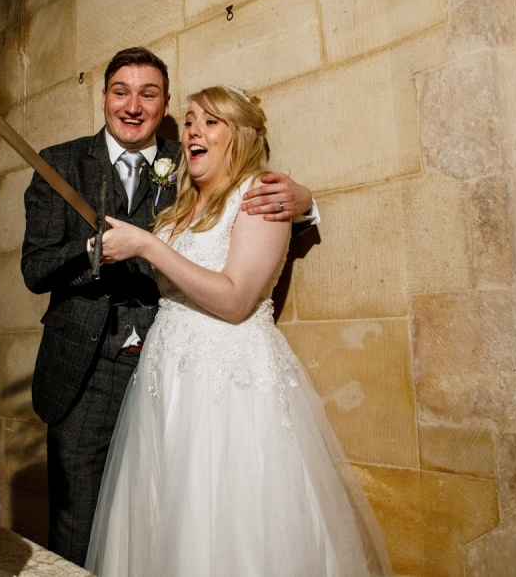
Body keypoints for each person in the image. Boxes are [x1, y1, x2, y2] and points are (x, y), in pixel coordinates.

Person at [20, 47, 317, 565]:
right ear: (105, 97)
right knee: (81, 526)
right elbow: (34, 267)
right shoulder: (60, 163)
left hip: (176, 377)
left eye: (149, 94)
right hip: (85, 373)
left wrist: (307, 200)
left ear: (165, 105)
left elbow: (255, 199)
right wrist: (92, 251)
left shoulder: (192, 163)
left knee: (178, 519)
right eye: (121, 92)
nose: (133, 106)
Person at [83, 86, 392, 576]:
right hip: (167, 381)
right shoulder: (175, 209)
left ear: (239, 135)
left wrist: (147, 246)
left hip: (229, 385)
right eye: (187, 122)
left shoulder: (259, 196)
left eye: (210, 122)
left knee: (229, 520)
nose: (192, 132)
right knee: (166, 518)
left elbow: (234, 300)